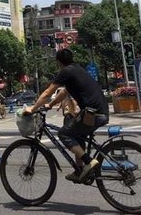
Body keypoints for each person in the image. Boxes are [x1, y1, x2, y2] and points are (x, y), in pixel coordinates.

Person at [25, 49, 109, 183]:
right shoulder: (78, 69)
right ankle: (79, 171)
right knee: (77, 135)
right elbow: (65, 92)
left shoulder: (66, 72)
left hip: (93, 114)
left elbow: (47, 92)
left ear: (58, 62)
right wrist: (50, 105)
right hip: (100, 112)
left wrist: (32, 109)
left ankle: (88, 162)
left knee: (64, 134)